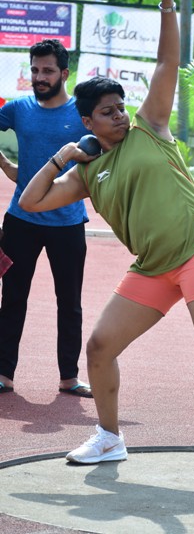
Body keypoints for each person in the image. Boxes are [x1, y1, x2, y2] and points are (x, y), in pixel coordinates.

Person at [19, 0, 194, 493]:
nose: (119, 114)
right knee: (99, 347)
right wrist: (61, 158)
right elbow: (33, 203)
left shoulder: (151, 127)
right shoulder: (88, 170)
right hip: (153, 266)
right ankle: (110, 436)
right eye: (107, 111)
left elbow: (166, 65)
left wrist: (166, 2)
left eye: (121, 106)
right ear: (85, 120)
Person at [0, 39, 92, 397]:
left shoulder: (81, 114)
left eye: (47, 70)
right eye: (35, 70)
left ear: (64, 73)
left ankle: (69, 377)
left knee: (69, 302)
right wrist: (8, 166)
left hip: (68, 223)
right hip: (20, 221)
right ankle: (4, 375)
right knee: (12, 299)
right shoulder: (19, 108)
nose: (39, 76)